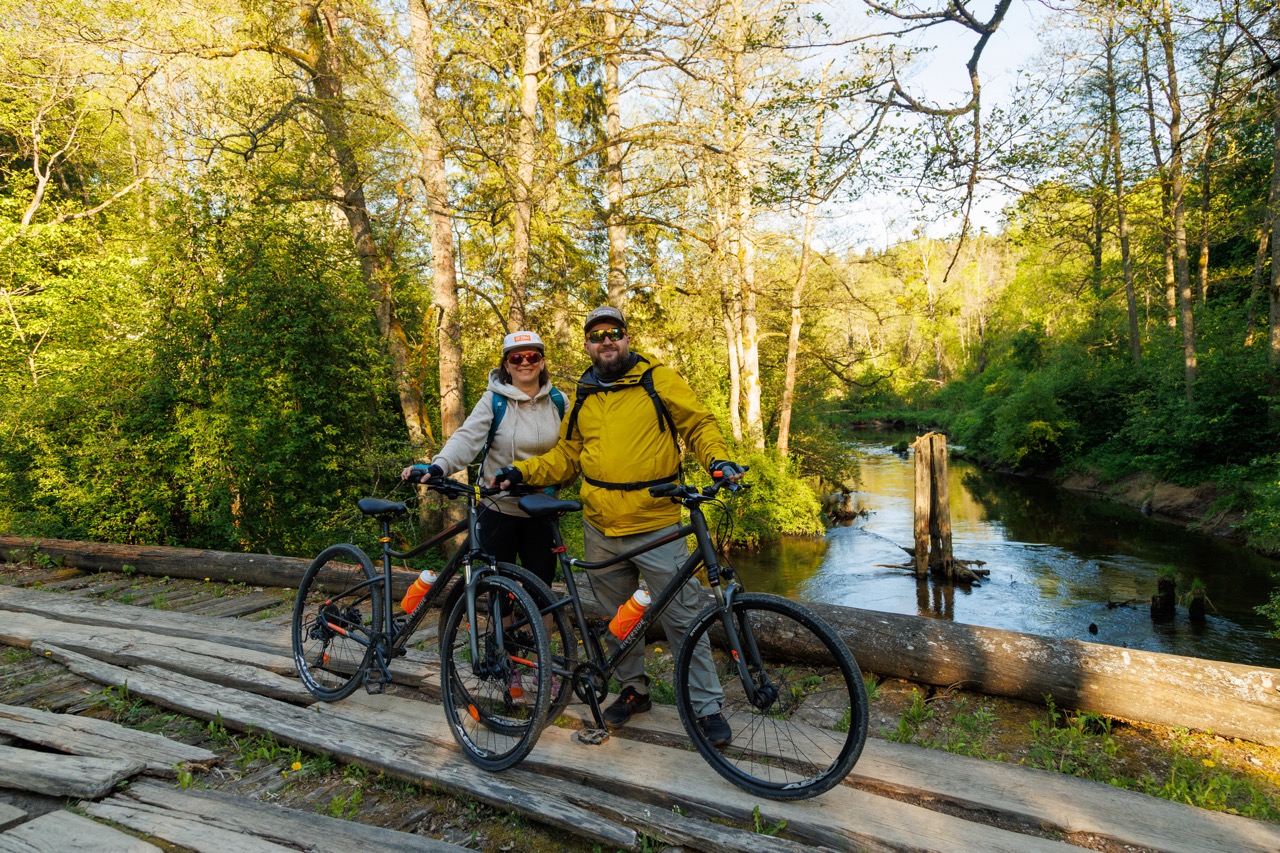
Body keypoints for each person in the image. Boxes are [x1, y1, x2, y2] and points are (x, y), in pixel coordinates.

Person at [492, 306, 745, 746]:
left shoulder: (657, 379)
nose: (606, 340)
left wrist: (717, 461)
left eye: (614, 333)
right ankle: (634, 691)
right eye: (596, 336)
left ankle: (706, 708)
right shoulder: (585, 391)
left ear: (626, 338)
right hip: (600, 525)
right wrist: (522, 472)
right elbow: (569, 454)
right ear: (587, 346)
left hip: (655, 521)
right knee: (617, 618)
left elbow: (698, 424)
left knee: (685, 616)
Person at [402, 330, 565, 586]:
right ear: (506, 366)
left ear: (542, 362)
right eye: (516, 358)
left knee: (541, 586)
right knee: (498, 588)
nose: (525, 362)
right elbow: (466, 438)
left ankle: (540, 628)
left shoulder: (559, 402)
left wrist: (556, 486)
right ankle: (503, 626)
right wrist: (439, 466)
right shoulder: (494, 400)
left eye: (532, 356)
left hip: (542, 509)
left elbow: (569, 453)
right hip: (497, 507)